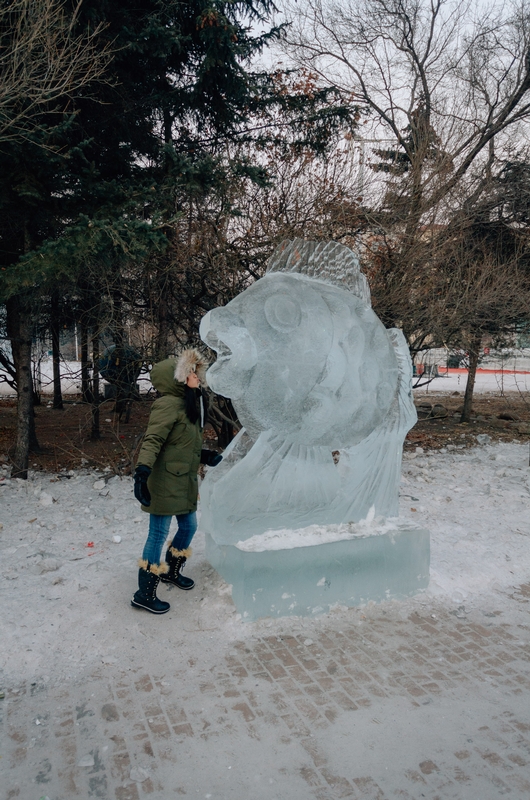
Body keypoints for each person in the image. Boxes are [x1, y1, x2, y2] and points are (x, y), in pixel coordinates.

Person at [131, 348, 222, 614]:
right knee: (157, 534)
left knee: (189, 527)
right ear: (178, 377)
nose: (195, 376)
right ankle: (144, 594)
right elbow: (154, 440)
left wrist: (205, 455)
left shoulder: (189, 403)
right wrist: (142, 473)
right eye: (190, 372)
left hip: (184, 480)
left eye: (195, 372)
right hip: (163, 481)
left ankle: (171, 571)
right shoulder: (167, 404)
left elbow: (181, 442)